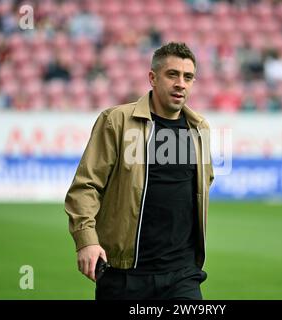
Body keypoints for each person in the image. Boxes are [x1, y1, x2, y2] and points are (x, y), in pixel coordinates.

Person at [65, 42, 214, 300]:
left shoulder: (199, 130)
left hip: (181, 275)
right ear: (152, 78)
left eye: (188, 77)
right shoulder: (116, 121)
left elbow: (202, 185)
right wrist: (86, 240)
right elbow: (86, 187)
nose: (181, 83)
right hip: (125, 275)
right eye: (172, 75)